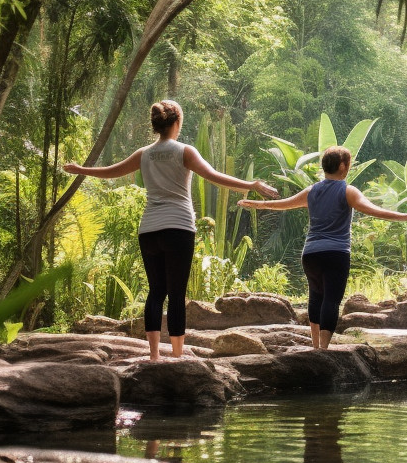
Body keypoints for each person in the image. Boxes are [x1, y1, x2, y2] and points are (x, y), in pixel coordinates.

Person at [64, 100, 279, 361]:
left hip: (150, 230)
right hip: (178, 227)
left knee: (156, 291)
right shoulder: (184, 151)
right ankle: (177, 356)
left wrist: (80, 170)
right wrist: (251, 184)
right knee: (176, 293)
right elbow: (213, 176)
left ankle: (154, 355)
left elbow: (111, 172)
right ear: (177, 122)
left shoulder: (144, 153)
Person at [238, 146, 407, 349]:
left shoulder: (312, 191)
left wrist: (259, 204)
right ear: (343, 166)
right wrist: (404, 216)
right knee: (331, 300)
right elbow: (373, 211)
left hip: (310, 254)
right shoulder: (347, 191)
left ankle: (315, 346)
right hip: (335, 253)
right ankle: (324, 350)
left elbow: (283, 204)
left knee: (316, 297)